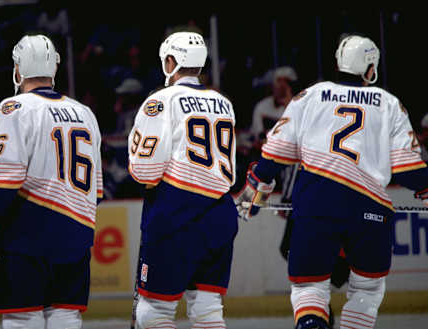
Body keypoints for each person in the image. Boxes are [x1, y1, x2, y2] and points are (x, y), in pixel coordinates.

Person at [235, 35, 428, 329]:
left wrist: (253, 190)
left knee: (308, 288)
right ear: (370, 68)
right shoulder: (389, 104)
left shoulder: (310, 96)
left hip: (315, 206)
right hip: (370, 211)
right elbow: (409, 171)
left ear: (339, 62)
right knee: (366, 290)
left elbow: (274, 155)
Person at [0, 34, 103, 329]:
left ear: (18, 69)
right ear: (54, 67)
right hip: (76, 239)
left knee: (22, 320)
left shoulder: (13, 109)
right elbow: (96, 191)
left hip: (25, 241)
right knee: (66, 319)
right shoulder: (86, 114)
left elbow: (3, 181)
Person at [128, 31, 238, 329]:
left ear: (171, 61)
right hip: (220, 213)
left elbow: (144, 171)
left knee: (154, 310)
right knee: (207, 307)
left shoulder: (161, 101)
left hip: (175, 213)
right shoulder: (222, 102)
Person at [250, 66, 298, 142]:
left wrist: (289, 105)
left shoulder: (299, 107)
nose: (281, 86)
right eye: (278, 81)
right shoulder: (262, 106)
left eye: (286, 82)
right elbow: (259, 136)